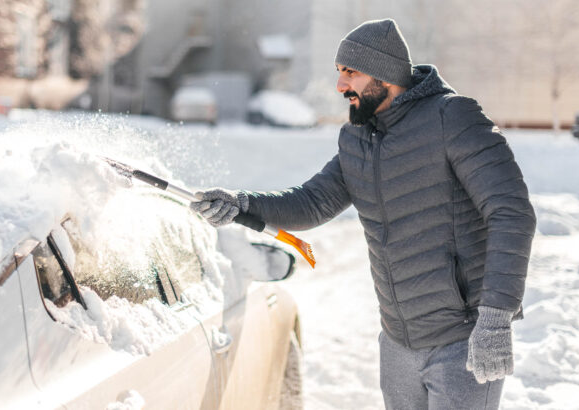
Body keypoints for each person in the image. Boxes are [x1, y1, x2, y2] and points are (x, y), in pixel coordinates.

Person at [190, 18, 536, 409]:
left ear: (385, 73)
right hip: (397, 343)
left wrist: (495, 316)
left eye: (350, 72)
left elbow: (512, 213)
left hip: (461, 341)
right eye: (339, 72)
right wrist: (242, 204)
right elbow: (312, 201)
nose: (340, 86)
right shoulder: (357, 138)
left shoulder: (452, 118)